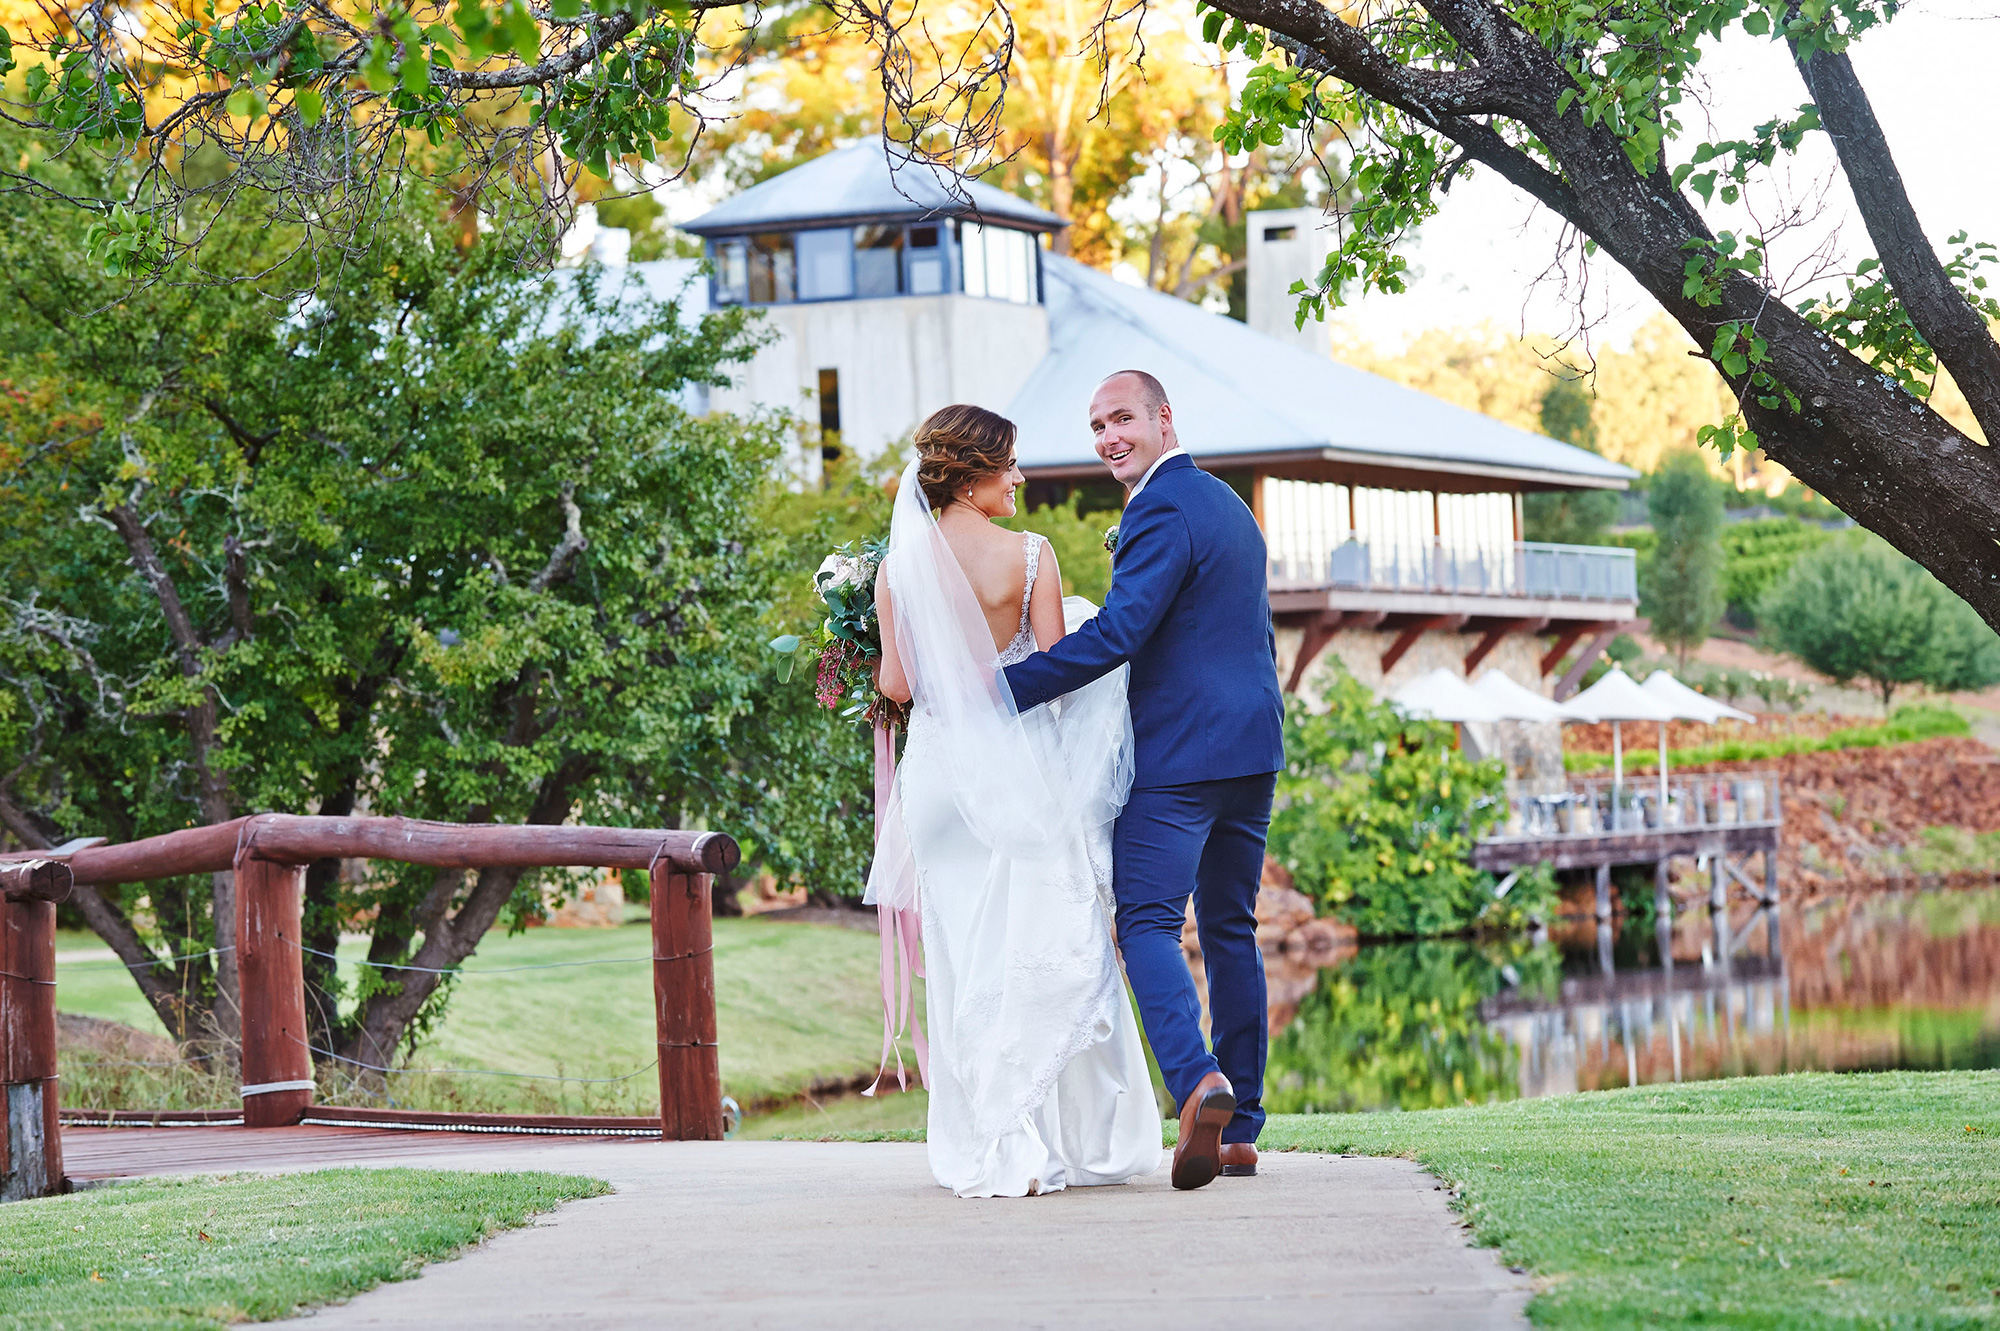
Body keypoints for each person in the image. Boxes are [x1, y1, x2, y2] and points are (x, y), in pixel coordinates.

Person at [869, 403, 1162, 1199]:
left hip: (937, 784)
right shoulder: (1030, 557)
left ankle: (991, 1146)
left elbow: (897, 685)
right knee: (1036, 945)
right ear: (972, 472)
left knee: (963, 962)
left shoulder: (896, 568)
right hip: (1015, 778)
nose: (1022, 480)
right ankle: (1055, 1141)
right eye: (1011, 466)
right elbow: (1057, 680)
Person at [1003, 370, 1285, 1192]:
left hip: (1181, 755)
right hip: (1253, 748)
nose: (1108, 437)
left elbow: (1124, 631)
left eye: (1121, 418)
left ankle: (1200, 1082)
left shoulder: (1158, 506)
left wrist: (1004, 692)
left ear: (1164, 419)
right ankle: (1242, 1134)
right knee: (1232, 928)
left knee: (1148, 926)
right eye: (1097, 426)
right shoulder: (1230, 505)